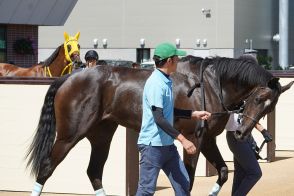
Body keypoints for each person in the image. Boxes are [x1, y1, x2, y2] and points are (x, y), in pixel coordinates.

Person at [136, 42, 211, 196]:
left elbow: (169, 111)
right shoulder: (156, 84)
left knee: (183, 185)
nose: (179, 61)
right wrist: (183, 139)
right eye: (177, 58)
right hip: (152, 147)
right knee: (146, 191)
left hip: (167, 146)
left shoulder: (166, 80)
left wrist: (193, 114)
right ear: (169, 61)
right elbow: (159, 118)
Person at [221, 113, 272, 196]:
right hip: (236, 136)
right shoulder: (233, 101)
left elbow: (251, 117)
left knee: (240, 172)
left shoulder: (247, 100)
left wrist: (263, 131)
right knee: (255, 173)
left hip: (246, 135)